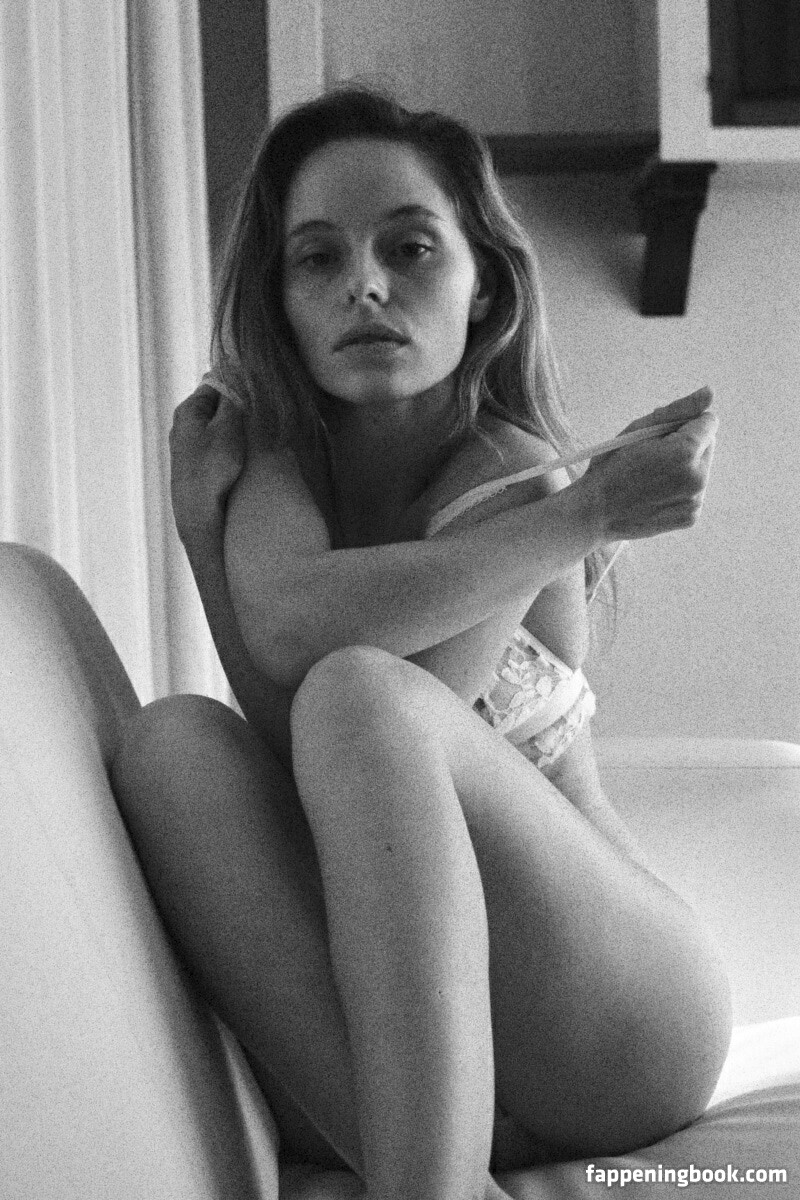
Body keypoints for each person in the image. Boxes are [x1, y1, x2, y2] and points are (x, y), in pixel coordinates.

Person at [111, 87, 732, 1200]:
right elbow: (291, 686)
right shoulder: (278, 469)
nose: (364, 285)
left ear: (481, 281)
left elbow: (376, 702)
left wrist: (581, 514)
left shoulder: (516, 477)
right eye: (317, 258)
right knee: (171, 745)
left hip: (611, 1019)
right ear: (279, 300)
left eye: (409, 248)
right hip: (415, 1037)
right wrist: (201, 535)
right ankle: (436, 1172)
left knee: (358, 695)